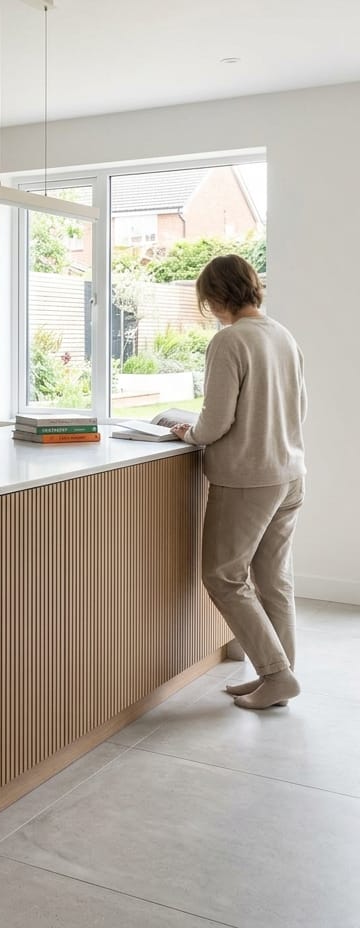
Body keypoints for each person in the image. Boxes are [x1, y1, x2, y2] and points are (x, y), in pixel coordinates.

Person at [171, 254, 306, 710]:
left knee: (223, 577)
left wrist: (189, 433)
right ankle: (278, 677)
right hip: (289, 473)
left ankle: (276, 674)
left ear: (215, 296)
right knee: (273, 580)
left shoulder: (230, 340)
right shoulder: (282, 335)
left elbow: (215, 422)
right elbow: (298, 407)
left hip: (248, 478)